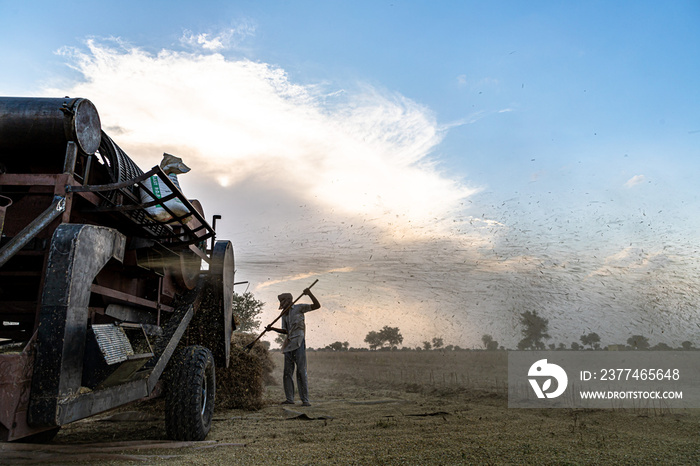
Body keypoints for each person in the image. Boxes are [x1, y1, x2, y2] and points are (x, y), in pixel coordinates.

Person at [266, 287, 321, 406]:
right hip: (289, 345)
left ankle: (305, 400)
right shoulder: (284, 315)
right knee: (287, 373)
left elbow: (317, 306)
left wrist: (309, 293)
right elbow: (285, 331)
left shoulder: (299, 308)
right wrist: (272, 329)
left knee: (301, 371)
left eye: (283, 302)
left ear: (289, 301)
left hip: (299, 343)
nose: (282, 304)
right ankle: (290, 399)